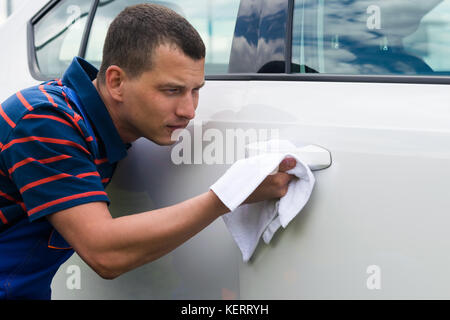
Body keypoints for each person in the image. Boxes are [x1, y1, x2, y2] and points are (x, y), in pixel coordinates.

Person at [0, 4, 296, 300]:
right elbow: (105, 252)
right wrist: (229, 195)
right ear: (117, 82)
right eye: (171, 91)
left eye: (196, 90)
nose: (189, 111)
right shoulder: (43, 120)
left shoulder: (96, 125)